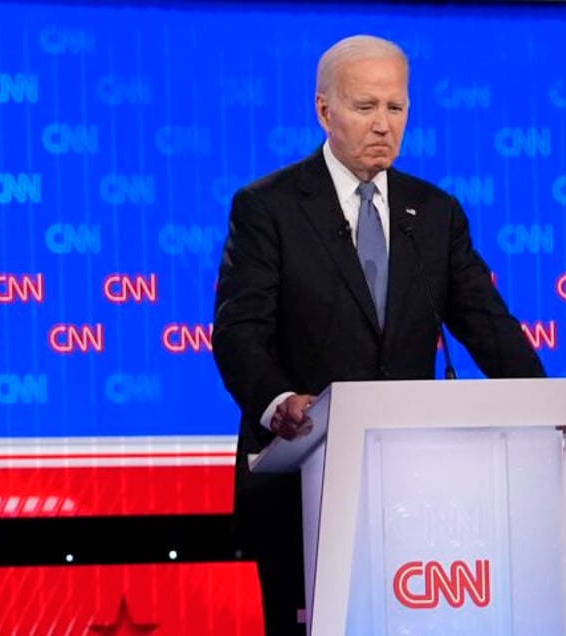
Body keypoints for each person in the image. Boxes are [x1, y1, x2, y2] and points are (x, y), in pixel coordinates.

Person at [212, 34, 546, 635]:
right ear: (325, 111)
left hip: (416, 493)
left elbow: (488, 325)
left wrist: (546, 412)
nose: (383, 126)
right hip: (303, 486)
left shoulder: (435, 212)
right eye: (365, 107)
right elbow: (239, 333)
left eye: (396, 108)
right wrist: (278, 402)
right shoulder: (269, 208)